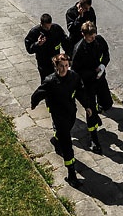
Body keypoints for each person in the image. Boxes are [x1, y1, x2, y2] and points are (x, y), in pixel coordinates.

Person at [30, 54, 91, 186]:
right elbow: (39, 93)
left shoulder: (73, 76)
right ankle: (71, 174)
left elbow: (80, 92)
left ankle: (57, 137)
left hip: (70, 112)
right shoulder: (50, 81)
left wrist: (86, 106)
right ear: (56, 66)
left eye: (66, 65)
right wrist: (33, 103)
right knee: (67, 145)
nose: (64, 69)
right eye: (61, 66)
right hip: (58, 115)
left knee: (65, 132)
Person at [70, 22, 112, 154]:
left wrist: (103, 65)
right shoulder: (79, 49)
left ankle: (98, 113)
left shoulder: (99, 41)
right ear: (84, 35)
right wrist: (93, 73)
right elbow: (76, 72)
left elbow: (106, 53)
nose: (93, 38)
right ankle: (94, 139)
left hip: (100, 79)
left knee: (107, 103)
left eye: (94, 35)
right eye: (90, 37)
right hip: (87, 84)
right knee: (91, 111)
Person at [24, 13, 68, 82]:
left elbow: (65, 41)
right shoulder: (35, 32)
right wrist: (38, 44)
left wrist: (67, 55)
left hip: (56, 61)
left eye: (49, 26)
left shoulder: (56, 29)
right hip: (43, 62)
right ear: (41, 24)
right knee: (46, 81)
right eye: (46, 27)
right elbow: (29, 49)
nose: (48, 29)